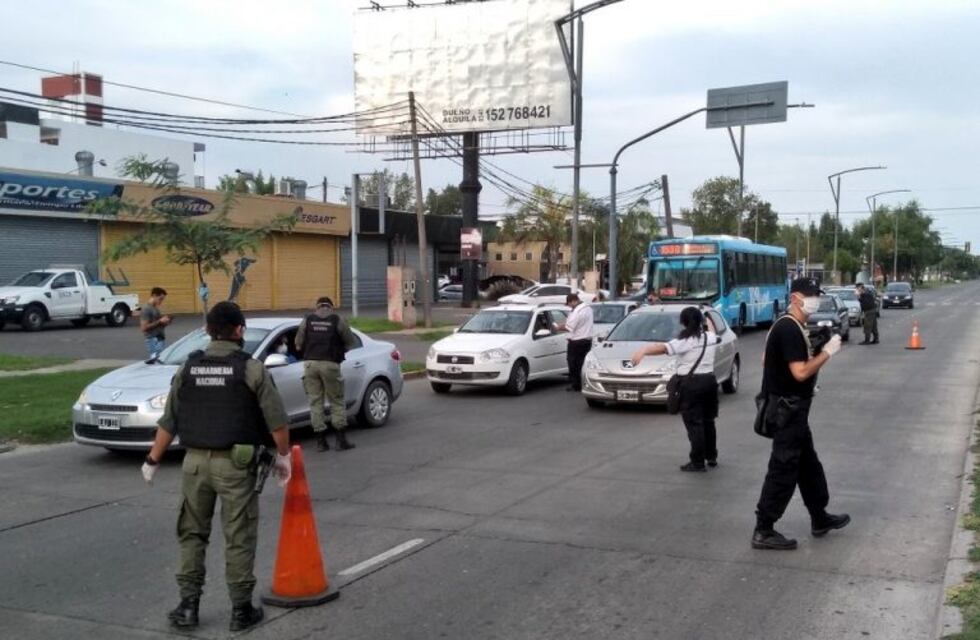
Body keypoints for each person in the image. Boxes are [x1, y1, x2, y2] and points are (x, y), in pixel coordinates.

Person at [140, 301, 292, 632]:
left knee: (192, 534)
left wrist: (153, 459)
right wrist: (283, 457)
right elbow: (277, 422)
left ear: (208, 331)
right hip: (236, 466)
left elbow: (169, 421)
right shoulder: (251, 369)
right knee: (238, 536)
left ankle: (188, 607)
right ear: (239, 331)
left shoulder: (188, 368)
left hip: (194, 464)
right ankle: (240, 610)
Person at [752, 277, 849, 551]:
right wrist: (827, 352)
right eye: (810, 295)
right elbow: (800, 372)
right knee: (782, 470)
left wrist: (814, 348)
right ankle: (764, 528)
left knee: (809, 467)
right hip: (788, 411)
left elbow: (766, 359)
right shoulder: (789, 328)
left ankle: (819, 516)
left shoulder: (788, 325)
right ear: (795, 297)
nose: (814, 300)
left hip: (793, 410)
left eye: (816, 295)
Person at [631, 307, 722, 472]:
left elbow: (663, 348)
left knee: (695, 424)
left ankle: (698, 462)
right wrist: (707, 317)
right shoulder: (710, 337)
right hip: (709, 382)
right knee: (708, 421)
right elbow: (713, 330)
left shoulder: (685, 341)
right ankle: (711, 456)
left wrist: (643, 351)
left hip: (692, 384)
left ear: (683, 322)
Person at [295, 296, 358, 452]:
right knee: (336, 401)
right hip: (330, 364)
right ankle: (340, 441)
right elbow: (351, 343)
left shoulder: (308, 320)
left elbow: (298, 344)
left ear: (317, 307)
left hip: (310, 365)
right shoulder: (337, 320)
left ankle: (321, 443)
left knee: (315, 403)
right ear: (331, 307)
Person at [555, 293, 594, 392]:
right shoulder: (588, 308)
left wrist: (558, 327)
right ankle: (584, 383)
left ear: (573, 301)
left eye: (569, 304)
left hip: (576, 342)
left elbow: (569, 327)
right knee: (582, 363)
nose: (569, 306)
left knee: (573, 364)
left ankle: (576, 385)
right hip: (587, 340)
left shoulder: (577, 312)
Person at [141, 287, 172, 358]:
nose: (161, 302)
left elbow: (158, 324)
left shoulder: (155, 308)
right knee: (156, 363)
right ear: (154, 296)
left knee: (159, 361)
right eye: (160, 299)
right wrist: (160, 321)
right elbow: (144, 328)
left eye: (162, 300)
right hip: (153, 340)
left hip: (159, 339)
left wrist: (165, 322)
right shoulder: (146, 309)